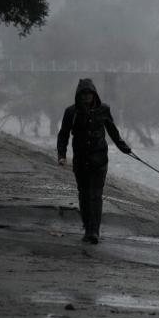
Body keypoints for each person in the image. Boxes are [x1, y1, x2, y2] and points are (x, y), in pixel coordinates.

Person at [56, 78, 132, 244]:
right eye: (83, 94)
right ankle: (87, 226)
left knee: (96, 195)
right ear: (78, 95)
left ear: (94, 94)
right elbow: (63, 134)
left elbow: (113, 131)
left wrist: (124, 148)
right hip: (80, 160)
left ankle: (94, 232)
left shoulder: (104, 109)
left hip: (99, 160)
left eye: (89, 93)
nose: (86, 97)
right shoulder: (71, 112)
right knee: (84, 195)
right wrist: (61, 155)